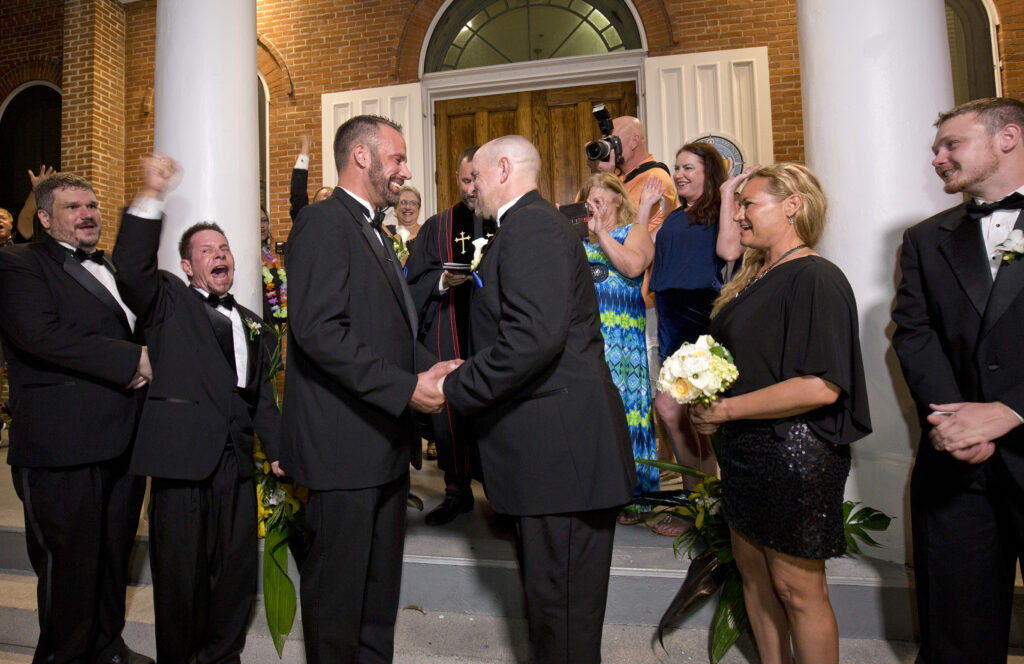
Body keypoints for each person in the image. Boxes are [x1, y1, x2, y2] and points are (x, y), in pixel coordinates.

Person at [441, 135, 636, 663]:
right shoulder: (528, 226)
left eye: (474, 177)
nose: (469, 190)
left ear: (502, 169)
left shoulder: (531, 227)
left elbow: (532, 341)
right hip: (551, 460)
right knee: (552, 616)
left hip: (561, 461)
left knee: (564, 623)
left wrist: (451, 387)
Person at [281, 114, 459, 662]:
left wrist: (447, 371)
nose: (405, 171)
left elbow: (392, 336)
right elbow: (318, 331)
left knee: (377, 599)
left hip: (382, 446)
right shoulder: (322, 222)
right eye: (398, 158)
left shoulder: (372, 231)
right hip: (343, 448)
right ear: (362, 156)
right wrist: (405, 388)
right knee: (338, 602)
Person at [689, 163, 871, 664]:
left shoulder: (816, 276)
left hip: (796, 452)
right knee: (754, 579)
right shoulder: (755, 276)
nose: (738, 214)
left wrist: (724, 408)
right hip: (747, 447)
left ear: (792, 204)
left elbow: (822, 385)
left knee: (798, 591)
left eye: (748, 203)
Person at [112, 154, 283, 663]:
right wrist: (151, 195)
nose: (219, 254)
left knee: (234, 575)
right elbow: (131, 266)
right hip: (181, 467)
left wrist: (276, 450)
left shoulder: (257, 325)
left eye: (225, 247)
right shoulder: (166, 300)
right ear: (187, 266)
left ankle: (222, 655)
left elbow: (261, 399)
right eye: (207, 250)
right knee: (181, 578)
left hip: (236, 466)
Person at [891, 97, 1024, 664]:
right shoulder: (925, 239)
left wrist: (1012, 410)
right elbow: (913, 334)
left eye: (952, 145)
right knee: (956, 632)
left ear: (1008, 138)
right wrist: (956, 421)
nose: (938, 159)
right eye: (935, 150)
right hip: (957, 461)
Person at [0, 173, 153, 664]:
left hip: (123, 442)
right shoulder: (16, 263)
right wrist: (130, 361)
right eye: (72, 207)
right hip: (60, 445)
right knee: (68, 569)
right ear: (44, 219)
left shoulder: (109, 265)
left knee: (112, 558)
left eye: (91, 204)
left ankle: (107, 646)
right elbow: (39, 335)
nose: (87, 213)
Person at [641, 142, 728, 536]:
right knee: (676, 412)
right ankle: (701, 505)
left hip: (701, 320)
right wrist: (646, 212)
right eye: (677, 167)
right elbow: (647, 255)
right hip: (670, 319)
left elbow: (729, 252)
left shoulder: (720, 213)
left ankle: (708, 507)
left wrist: (728, 196)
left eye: (688, 167)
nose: (679, 174)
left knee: (688, 413)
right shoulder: (676, 215)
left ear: (709, 172)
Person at [406, 146, 491, 526]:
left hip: (495, 334)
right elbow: (413, 281)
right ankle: (456, 493)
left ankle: (503, 496)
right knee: (451, 409)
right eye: (465, 179)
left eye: (477, 178)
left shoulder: (506, 220)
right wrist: (442, 279)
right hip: (449, 326)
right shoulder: (437, 226)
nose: (471, 188)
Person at [578, 172, 657, 525]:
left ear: (618, 202)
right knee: (591, 416)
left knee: (626, 413)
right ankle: (593, 493)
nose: (594, 207)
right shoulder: (580, 241)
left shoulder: (633, 233)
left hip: (622, 342)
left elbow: (631, 266)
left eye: (600, 200)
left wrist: (602, 233)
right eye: (588, 202)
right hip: (587, 341)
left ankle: (634, 495)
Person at [289, 134, 333, 221]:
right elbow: (298, 195)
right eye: (325, 196)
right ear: (314, 203)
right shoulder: (308, 221)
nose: (329, 196)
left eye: (332, 196)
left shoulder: (343, 225)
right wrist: (304, 152)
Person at [260, 205, 287, 323]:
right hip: (259, 325)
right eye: (258, 221)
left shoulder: (267, 253)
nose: (262, 226)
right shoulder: (248, 255)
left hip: (275, 324)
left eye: (264, 220)